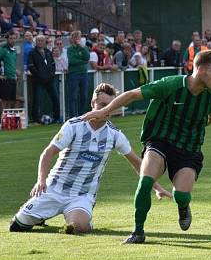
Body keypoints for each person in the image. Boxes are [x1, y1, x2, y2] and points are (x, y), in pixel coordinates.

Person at [82, 50, 211, 244]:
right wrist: (106, 110)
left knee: (182, 195)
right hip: (159, 141)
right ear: (200, 69)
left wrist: (205, 123)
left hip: (189, 149)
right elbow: (133, 94)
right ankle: (138, 232)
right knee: (145, 182)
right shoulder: (171, 85)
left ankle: (183, 206)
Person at [9, 83, 172, 234]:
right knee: (16, 227)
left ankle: (80, 219)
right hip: (54, 189)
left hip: (82, 195)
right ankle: (41, 214)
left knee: (79, 227)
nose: (107, 110)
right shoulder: (73, 126)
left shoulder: (114, 135)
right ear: (92, 104)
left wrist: (156, 186)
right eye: (102, 105)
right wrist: (41, 180)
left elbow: (137, 162)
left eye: (110, 105)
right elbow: (48, 152)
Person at [29, 35, 60, 123]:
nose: (40, 42)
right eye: (38, 41)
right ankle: (36, 119)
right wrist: (40, 75)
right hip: (38, 81)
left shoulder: (48, 52)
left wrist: (51, 75)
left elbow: (53, 64)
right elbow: (31, 66)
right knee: (37, 100)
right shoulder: (32, 53)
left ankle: (56, 118)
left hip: (49, 80)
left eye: (42, 41)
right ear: (36, 42)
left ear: (45, 42)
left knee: (55, 98)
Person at [0, 30, 19, 109]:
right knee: (4, 101)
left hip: (12, 78)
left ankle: (8, 119)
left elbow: (10, 64)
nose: (12, 40)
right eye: (11, 38)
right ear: (7, 39)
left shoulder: (14, 51)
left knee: (11, 100)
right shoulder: (3, 50)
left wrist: (15, 71)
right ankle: (2, 120)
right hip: (5, 79)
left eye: (14, 38)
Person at [67, 30, 91, 118]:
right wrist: (83, 61)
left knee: (84, 96)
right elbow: (72, 61)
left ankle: (81, 114)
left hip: (83, 74)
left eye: (78, 37)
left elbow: (87, 57)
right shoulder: (70, 49)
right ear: (72, 39)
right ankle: (72, 116)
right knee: (73, 96)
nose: (77, 39)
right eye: (75, 37)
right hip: (74, 74)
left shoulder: (83, 47)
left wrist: (82, 48)